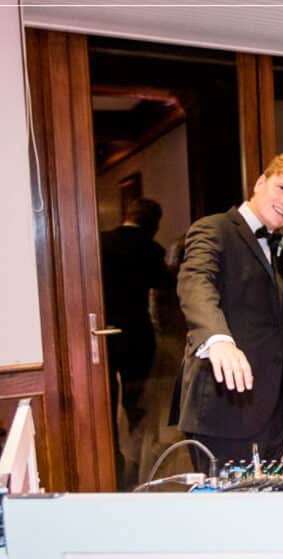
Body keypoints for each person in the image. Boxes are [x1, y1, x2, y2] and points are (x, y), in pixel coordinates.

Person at [170, 153, 283, 469]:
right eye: (282, 188)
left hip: (279, 407)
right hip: (226, 404)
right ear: (259, 182)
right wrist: (218, 339)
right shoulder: (214, 229)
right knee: (227, 512)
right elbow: (196, 283)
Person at [100, 197, 175, 487]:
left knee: (105, 397)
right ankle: (134, 453)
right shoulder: (150, 249)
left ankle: (113, 458)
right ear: (154, 224)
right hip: (136, 332)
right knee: (136, 399)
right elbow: (164, 285)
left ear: (127, 214)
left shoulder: (102, 242)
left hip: (103, 331)